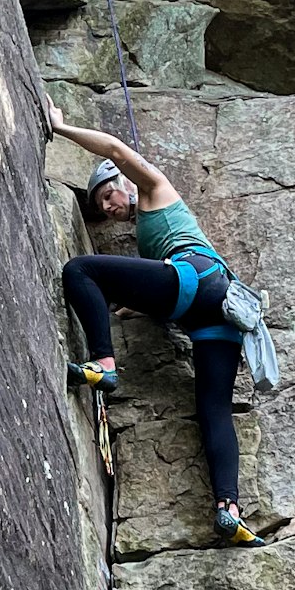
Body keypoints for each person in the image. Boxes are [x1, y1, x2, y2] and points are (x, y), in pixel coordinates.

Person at [50, 103, 265, 548]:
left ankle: (103, 365)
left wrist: (61, 126)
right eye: (100, 204)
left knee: (80, 271)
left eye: (109, 193)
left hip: (194, 281)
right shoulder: (154, 232)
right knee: (214, 411)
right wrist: (135, 306)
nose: (108, 206)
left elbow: (113, 147)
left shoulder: (155, 190)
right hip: (217, 314)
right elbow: (156, 287)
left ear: (126, 182)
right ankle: (230, 510)